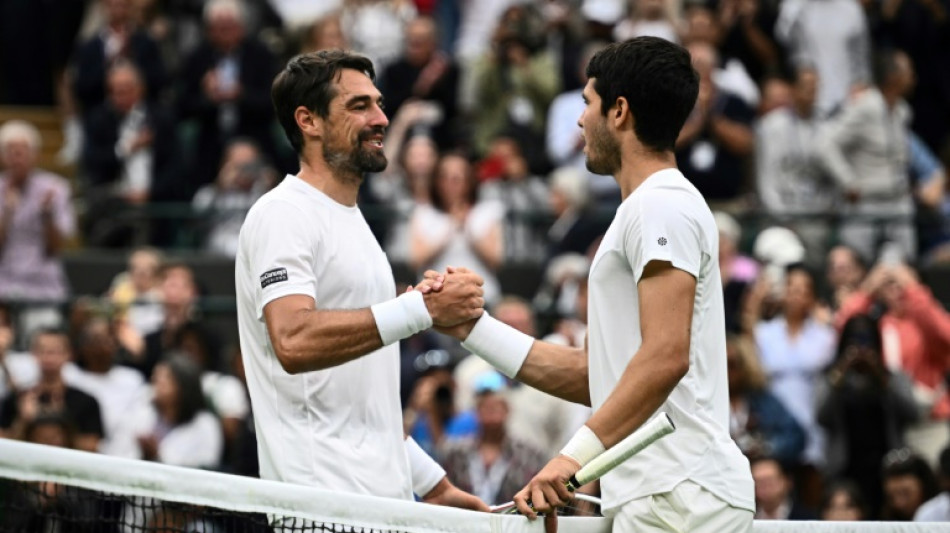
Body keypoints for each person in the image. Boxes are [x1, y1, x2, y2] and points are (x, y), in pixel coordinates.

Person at [427, 37, 754, 531]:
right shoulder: (648, 206)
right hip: (667, 495)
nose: (581, 120)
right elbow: (599, 377)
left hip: (680, 494)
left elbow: (666, 355)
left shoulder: (659, 203)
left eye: (587, 103)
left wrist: (568, 461)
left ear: (619, 112)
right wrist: (473, 329)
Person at [235, 49, 487, 509]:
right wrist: (420, 310)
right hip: (321, 504)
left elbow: (363, 403)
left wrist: (434, 485)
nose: (382, 118)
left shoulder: (357, 224)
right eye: (359, 106)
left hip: (381, 503)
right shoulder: (281, 214)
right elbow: (293, 339)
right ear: (308, 121)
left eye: (378, 103)